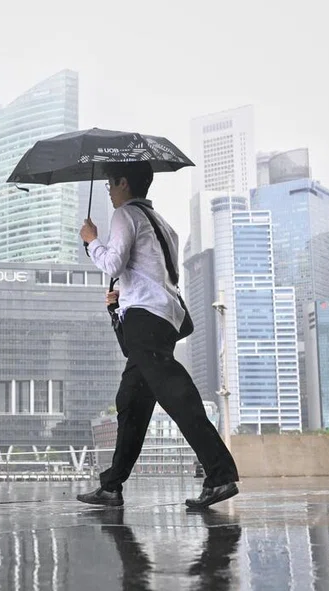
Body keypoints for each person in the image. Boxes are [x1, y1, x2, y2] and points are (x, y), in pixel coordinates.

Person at [77, 161, 239, 510]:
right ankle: (112, 485)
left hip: (145, 318)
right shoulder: (163, 224)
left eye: (110, 182)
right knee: (131, 403)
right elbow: (157, 273)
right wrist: (123, 297)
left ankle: (220, 473)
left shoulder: (125, 215)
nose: (107, 188)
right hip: (165, 316)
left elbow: (113, 264)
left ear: (124, 182)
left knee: (177, 396)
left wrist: (91, 242)